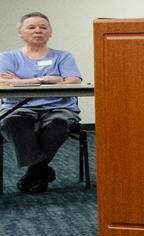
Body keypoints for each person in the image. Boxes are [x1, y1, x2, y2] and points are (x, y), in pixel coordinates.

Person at [2, 12, 84, 194]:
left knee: (58, 124)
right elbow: (2, 82)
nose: (38, 30)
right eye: (31, 27)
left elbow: (73, 80)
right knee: (11, 122)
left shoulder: (63, 57)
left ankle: (35, 171)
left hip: (58, 107)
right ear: (20, 33)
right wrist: (43, 80)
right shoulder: (8, 57)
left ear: (50, 33)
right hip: (18, 107)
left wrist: (18, 80)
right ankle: (41, 170)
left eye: (43, 27)